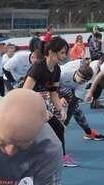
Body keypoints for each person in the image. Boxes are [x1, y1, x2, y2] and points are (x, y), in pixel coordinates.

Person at [23, 38, 75, 166]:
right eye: (62, 53)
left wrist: (60, 109)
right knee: (31, 135)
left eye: (65, 53)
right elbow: (25, 93)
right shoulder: (38, 68)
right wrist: (41, 110)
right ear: (51, 52)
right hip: (26, 104)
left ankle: (61, 157)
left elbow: (53, 92)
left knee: (59, 128)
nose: (64, 56)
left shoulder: (57, 69)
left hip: (41, 104)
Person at [58, 60, 104, 142]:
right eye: (82, 79)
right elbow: (51, 86)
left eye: (85, 81)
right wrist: (59, 98)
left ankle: (88, 133)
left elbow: (73, 103)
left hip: (67, 88)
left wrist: (65, 124)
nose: (82, 82)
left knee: (77, 110)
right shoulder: (63, 73)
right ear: (77, 73)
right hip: (51, 86)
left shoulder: (82, 85)